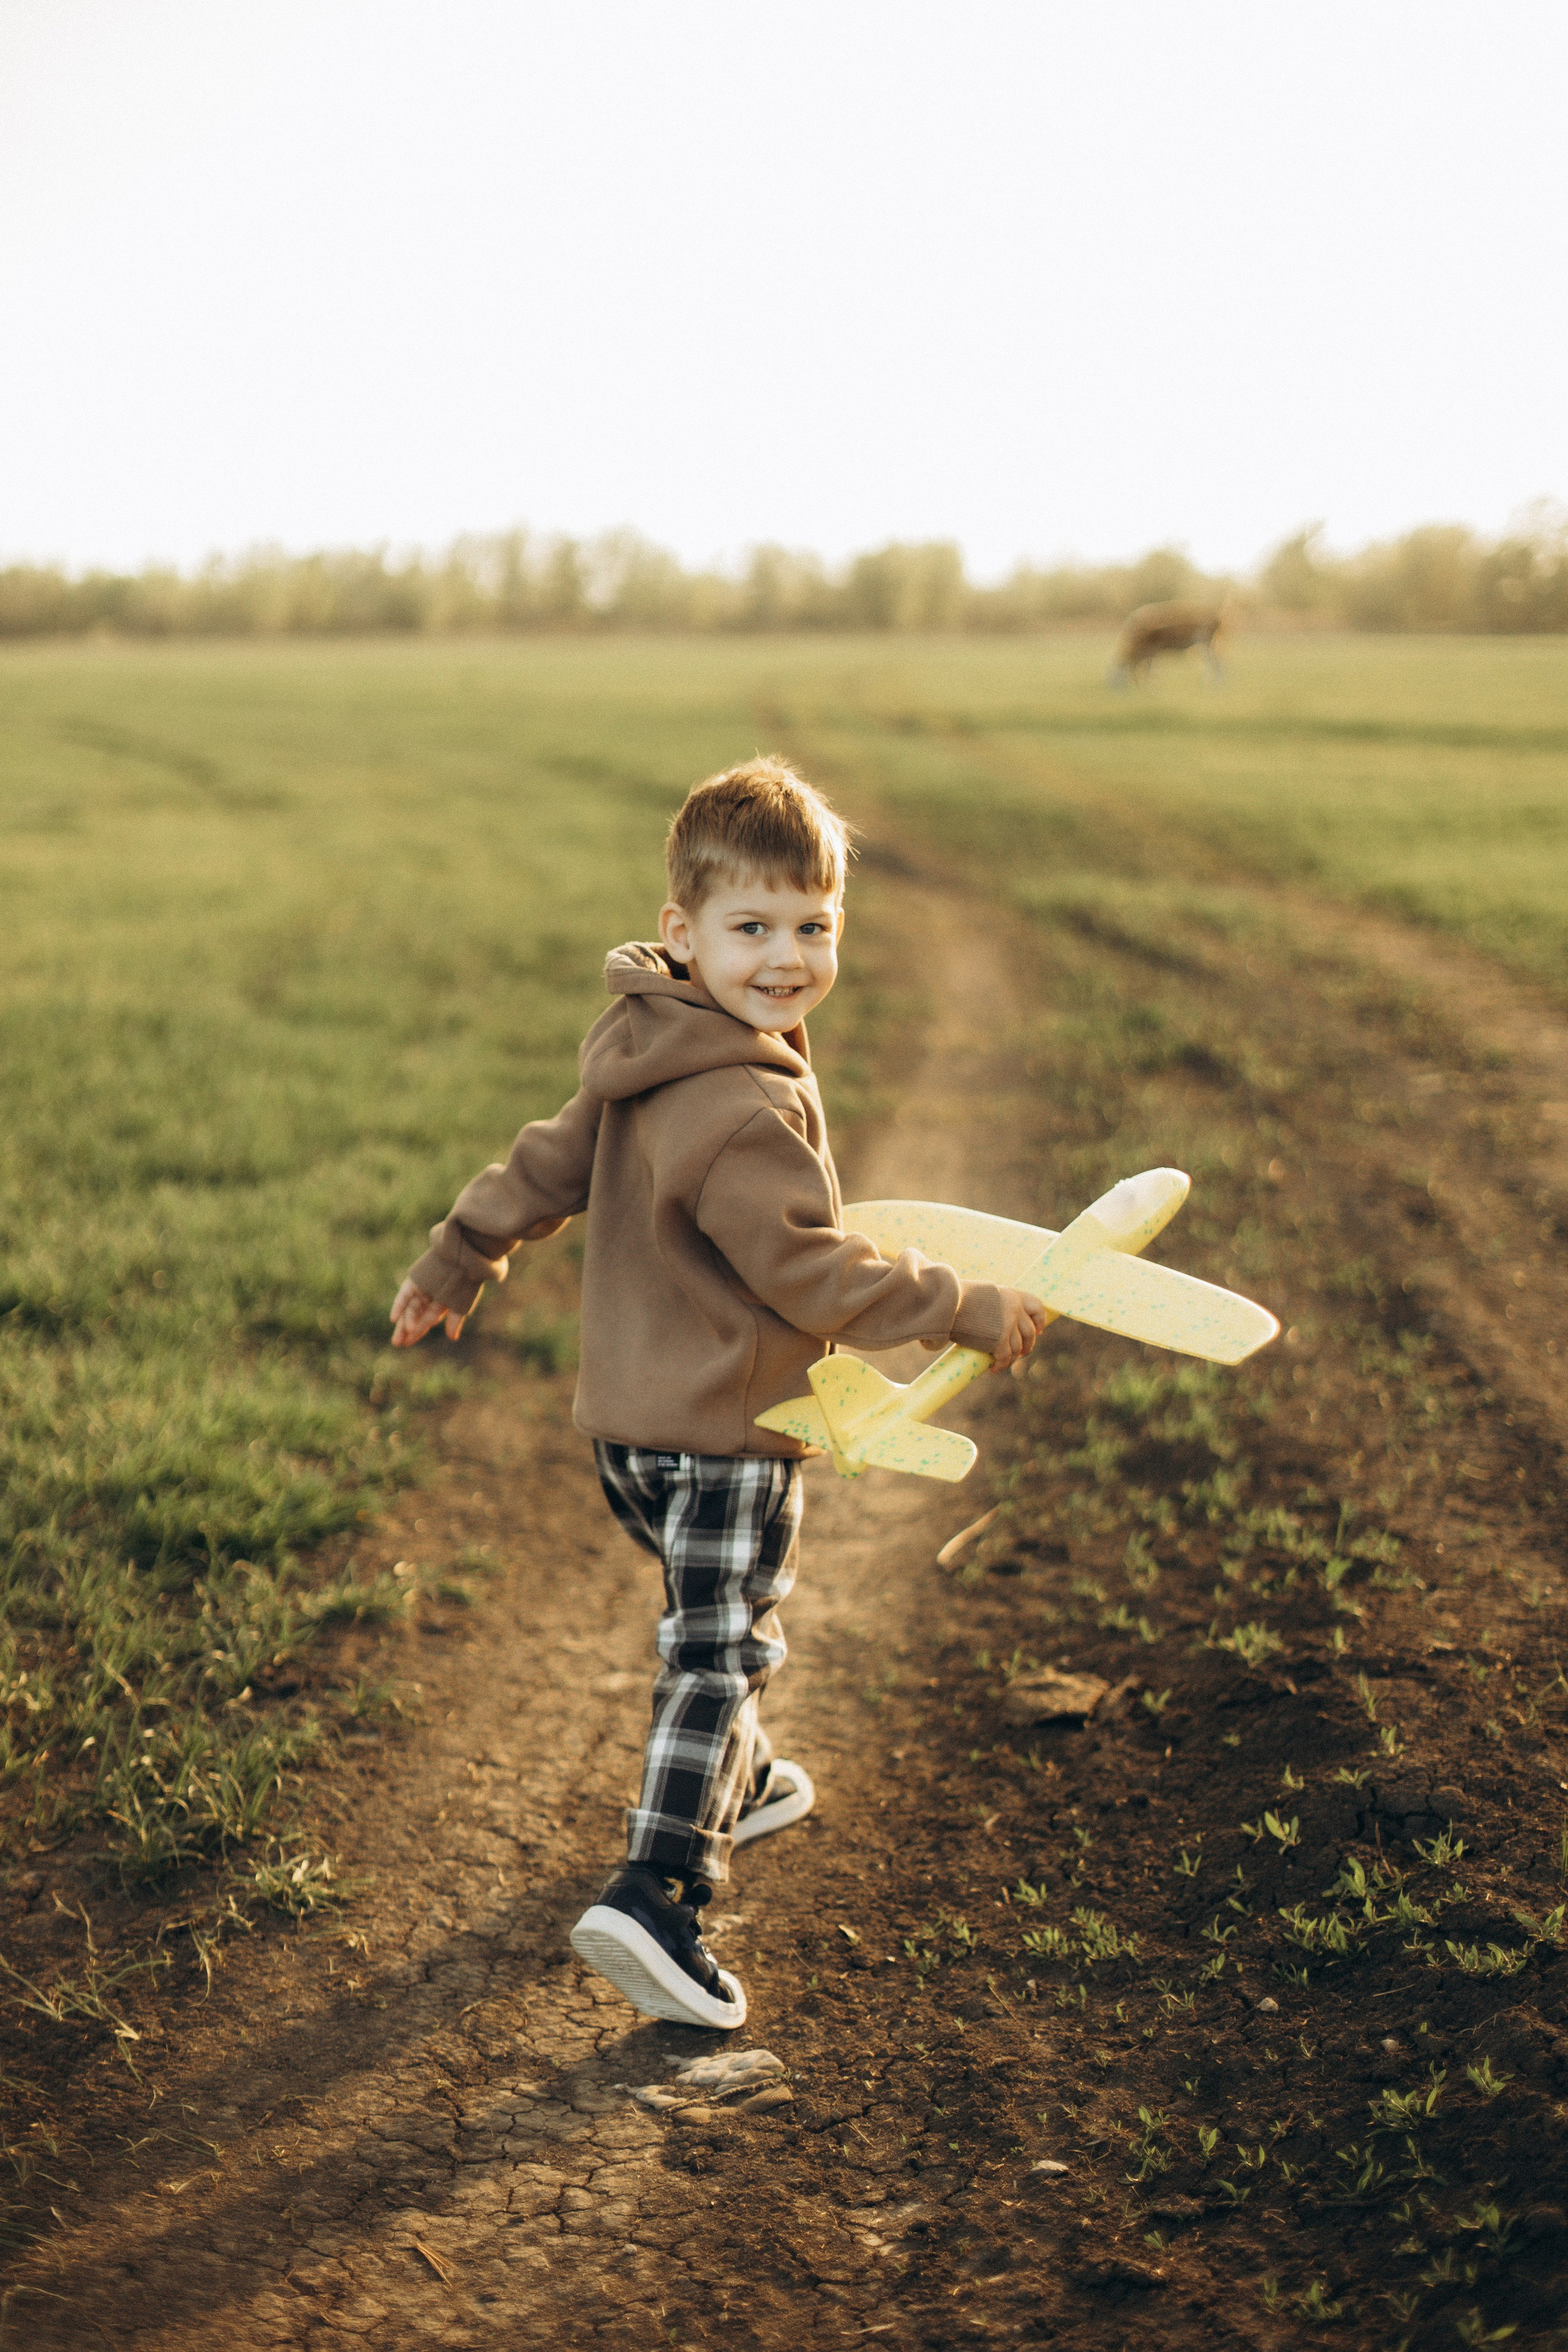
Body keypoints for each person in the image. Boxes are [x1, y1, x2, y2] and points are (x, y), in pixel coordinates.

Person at [390, 759, 1047, 2029]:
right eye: (753, 929)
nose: (787, 958)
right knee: (720, 1650)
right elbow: (810, 1269)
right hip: (726, 1437)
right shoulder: (745, 1104)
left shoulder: (641, 1040)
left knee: (715, 1621)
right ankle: (660, 1891)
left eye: (815, 928)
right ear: (684, 931)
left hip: (629, 1433)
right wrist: (958, 1304)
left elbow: (543, 1164)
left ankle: (730, 1783)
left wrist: (458, 1255)